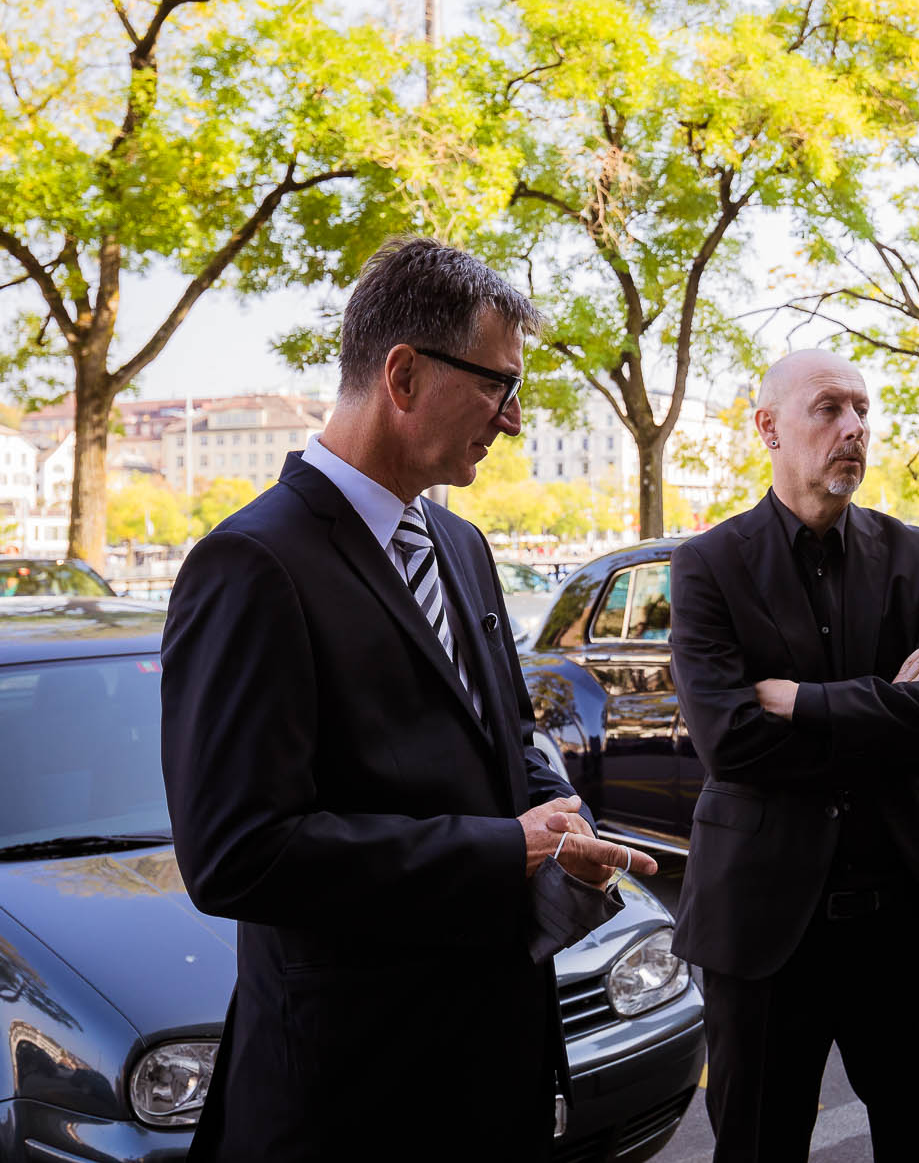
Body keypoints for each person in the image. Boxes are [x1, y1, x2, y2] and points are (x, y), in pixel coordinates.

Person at [161, 236, 657, 1162]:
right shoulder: (251, 563)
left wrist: (559, 833)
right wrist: (505, 846)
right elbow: (235, 855)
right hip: (349, 1100)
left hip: (492, 1072)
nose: (512, 420)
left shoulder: (462, 543)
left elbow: (507, 735)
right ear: (402, 373)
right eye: (499, 386)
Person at [667, 349, 919, 1162]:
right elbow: (730, 740)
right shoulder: (707, 565)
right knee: (759, 1145)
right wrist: (890, 707)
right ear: (768, 427)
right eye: (829, 409)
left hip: (910, 918)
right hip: (766, 927)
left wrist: (805, 701)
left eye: (863, 410)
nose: (854, 427)